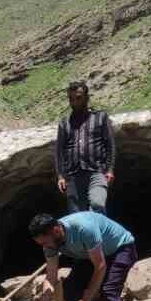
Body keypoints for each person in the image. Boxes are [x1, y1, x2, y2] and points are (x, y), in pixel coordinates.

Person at [53, 80, 116, 215]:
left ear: (87, 98)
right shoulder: (64, 123)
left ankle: (102, 233)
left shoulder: (100, 117)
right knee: (78, 215)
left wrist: (110, 169)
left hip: (97, 171)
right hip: (73, 176)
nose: (74, 102)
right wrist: (60, 176)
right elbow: (59, 151)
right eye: (71, 99)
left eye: (78, 98)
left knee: (97, 203)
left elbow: (110, 144)